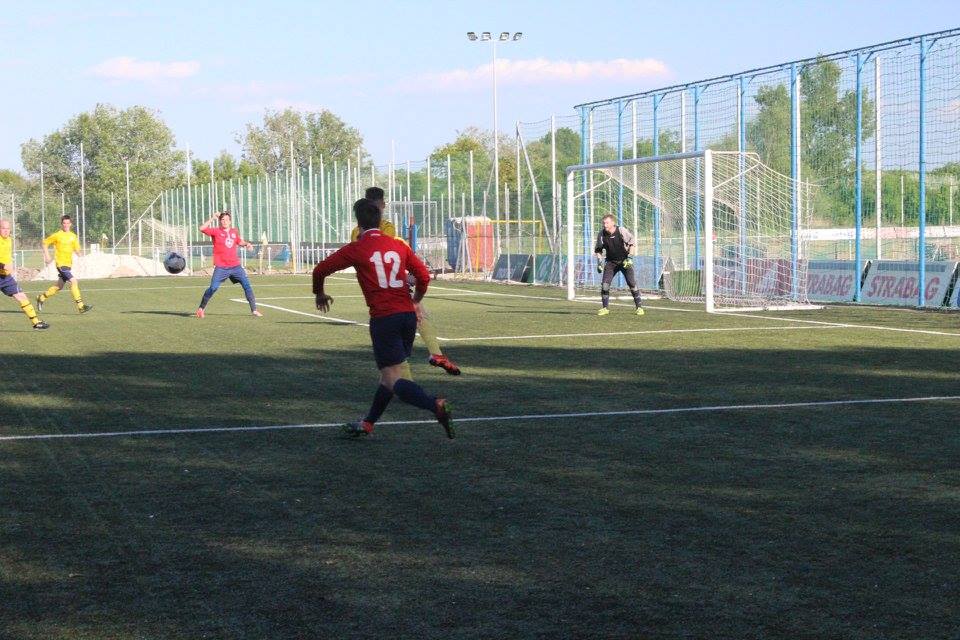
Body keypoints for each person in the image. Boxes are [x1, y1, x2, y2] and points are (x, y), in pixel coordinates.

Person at [313, 198, 454, 439]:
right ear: (380, 220)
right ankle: (368, 423)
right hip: (407, 318)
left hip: (384, 319)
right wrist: (416, 300)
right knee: (389, 376)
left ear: (358, 224)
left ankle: (435, 405)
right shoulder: (397, 245)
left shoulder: (357, 248)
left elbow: (320, 270)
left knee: (393, 378)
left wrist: (319, 293)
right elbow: (423, 276)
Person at [352, 186, 461, 376]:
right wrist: (405, 276)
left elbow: (373, 257)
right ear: (382, 205)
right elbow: (383, 255)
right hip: (389, 283)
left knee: (414, 317)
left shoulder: (358, 232)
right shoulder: (385, 228)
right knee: (411, 319)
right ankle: (423, 366)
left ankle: (432, 357)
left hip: (378, 285)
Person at [195, 211, 261, 318]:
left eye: (226, 219)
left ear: (230, 221)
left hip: (235, 267)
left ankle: (254, 310)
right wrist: (213, 218)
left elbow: (239, 241)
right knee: (213, 288)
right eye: (222, 219)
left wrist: (247, 244)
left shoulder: (234, 231)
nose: (224, 221)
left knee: (247, 285)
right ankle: (201, 309)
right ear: (220, 221)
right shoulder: (216, 231)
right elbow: (201, 228)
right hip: (221, 267)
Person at [0, 219, 49, 330]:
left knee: (21, 296)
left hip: (6, 277)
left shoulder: (9, 240)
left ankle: (36, 323)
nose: (6, 231)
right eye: (3, 228)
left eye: (8, 228)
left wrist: (10, 266)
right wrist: (3, 266)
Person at [37, 215, 91, 314]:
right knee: (74, 281)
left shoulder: (73, 236)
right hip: (60, 264)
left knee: (59, 286)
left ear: (70, 224)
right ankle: (81, 306)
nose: (66, 225)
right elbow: (44, 243)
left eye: (67, 223)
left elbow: (77, 250)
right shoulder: (57, 235)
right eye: (64, 223)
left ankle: (41, 297)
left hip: (68, 265)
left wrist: (82, 256)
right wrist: (47, 256)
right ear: (61, 224)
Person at [594, 214, 644, 316]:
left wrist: (630, 258)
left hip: (624, 261)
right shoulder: (601, 234)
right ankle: (605, 308)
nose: (605, 225)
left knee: (632, 283)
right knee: (605, 285)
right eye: (603, 223)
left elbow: (632, 243)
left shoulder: (621, 231)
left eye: (607, 223)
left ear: (613, 223)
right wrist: (599, 262)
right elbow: (598, 250)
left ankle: (639, 308)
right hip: (611, 262)